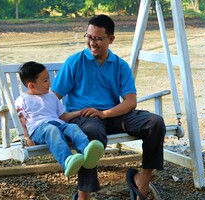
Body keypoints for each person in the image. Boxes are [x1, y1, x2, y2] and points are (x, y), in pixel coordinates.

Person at [51, 14, 166, 200]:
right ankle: (83, 195)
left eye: (98, 38)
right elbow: (52, 98)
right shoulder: (74, 62)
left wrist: (105, 113)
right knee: (92, 134)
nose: (92, 43)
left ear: (111, 39)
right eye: (89, 37)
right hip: (85, 117)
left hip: (111, 114)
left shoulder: (120, 65)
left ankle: (141, 181)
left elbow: (130, 101)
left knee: (155, 122)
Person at [15, 61, 105, 178]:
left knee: (72, 127)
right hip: (39, 130)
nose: (49, 83)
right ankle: (67, 161)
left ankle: (87, 151)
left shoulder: (51, 96)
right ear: (31, 85)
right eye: (45, 80)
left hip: (58, 125)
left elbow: (63, 117)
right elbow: (22, 121)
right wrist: (26, 137)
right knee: (51, 130)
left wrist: (79, 112)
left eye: (48, 79)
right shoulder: (22, 100)